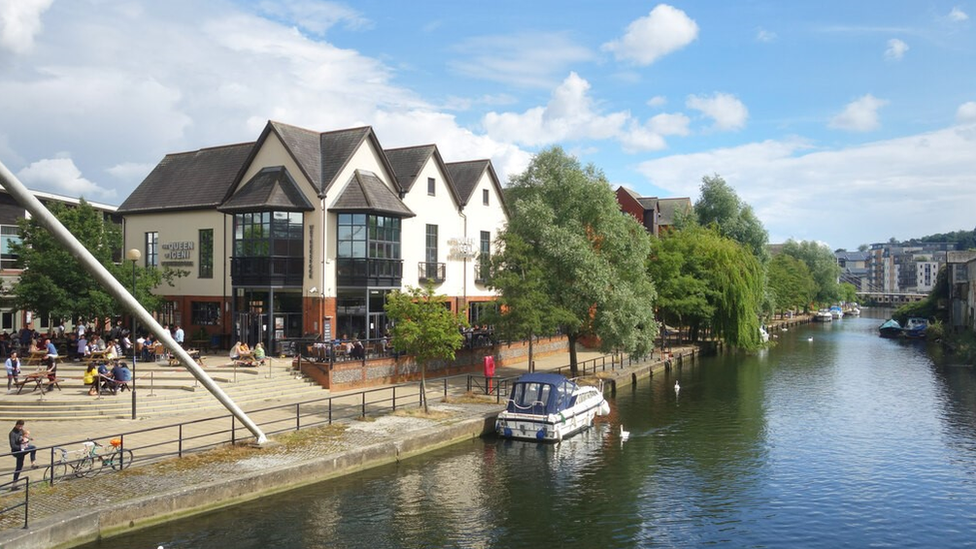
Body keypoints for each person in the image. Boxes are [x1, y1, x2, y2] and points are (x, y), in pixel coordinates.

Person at [8, 420, 36, 487]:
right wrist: (21, 447)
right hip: (17, 451)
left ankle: (14, 484)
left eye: (21, 426)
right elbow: (13, 445)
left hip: (22, 449)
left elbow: (25, 435)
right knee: (33, 447)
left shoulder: (21, 431)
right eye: (19, 426)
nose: (20, 428)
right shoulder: (12, 433)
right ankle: (33, 463)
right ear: (16, 425)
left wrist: (29, 438)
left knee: (19, 467)